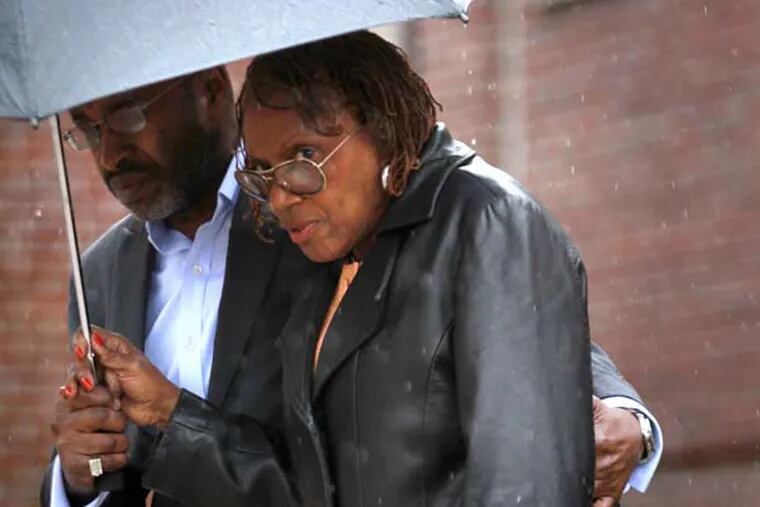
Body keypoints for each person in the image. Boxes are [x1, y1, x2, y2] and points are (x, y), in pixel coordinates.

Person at [55, 32, 661, 507]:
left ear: (210, 90)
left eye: (127, 115)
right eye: (86, 128)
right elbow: (296, 478)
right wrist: (80, 476)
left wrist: (622, 414)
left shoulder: (322, 217)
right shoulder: (98, 277)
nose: (109, 152)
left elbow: (515, 319)